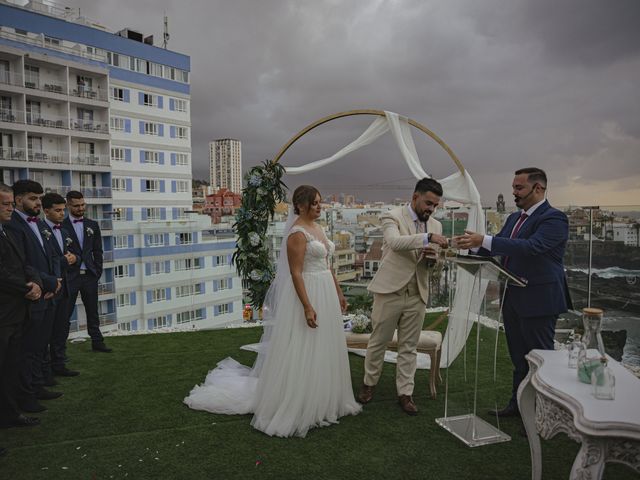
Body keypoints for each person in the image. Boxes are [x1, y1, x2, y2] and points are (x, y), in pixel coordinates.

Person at [184, 185, 361, 437]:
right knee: (304, 346)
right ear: (300, 205)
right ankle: (299, 402)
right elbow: (296, 273)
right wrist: (307, 306)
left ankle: (326, 398)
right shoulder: (296, 234)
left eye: (320, 202)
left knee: (325, 345)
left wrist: (339, 292)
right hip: (308, 290)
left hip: (326, 291)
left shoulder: (319, 228)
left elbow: (327, 266)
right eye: (314, 203)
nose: (319, 207)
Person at [453, 167, 572, 417]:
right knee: (519, 357)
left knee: (540, 359)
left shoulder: (554, 219)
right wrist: (465, 246)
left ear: (538, 189)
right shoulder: (513, 219)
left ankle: (541, 414)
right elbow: (497, 247)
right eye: (513, 187)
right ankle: (517, 405)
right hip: (513, 297)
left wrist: (483, 240)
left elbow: (531, 247)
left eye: (519, 188)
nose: (514, 193)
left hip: (540, 301)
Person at [357, 178, 449, 415]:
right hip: (390, 290)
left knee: (409, 346)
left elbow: (437, 264)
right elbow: (395, 243)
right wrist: (427, 239)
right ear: (415, 197)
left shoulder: (436, 226)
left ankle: (405, 393)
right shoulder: (393, 216)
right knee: (379, 341)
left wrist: (434, 260)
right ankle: (369, 384)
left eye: (435, 205)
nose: (431, 209)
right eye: (428, 203)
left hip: (418, 292)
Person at [5, 180, 63, 413]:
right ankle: (26, 396)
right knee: (28, 349)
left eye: (39, 198)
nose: (38, 202)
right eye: (33, 198)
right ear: (19, 199)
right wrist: (46, 282)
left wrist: (56, 280)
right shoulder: (12, 225)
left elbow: (52, 254)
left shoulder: (38, 223)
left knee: (40, 345)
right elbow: (23, 263)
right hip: (32, 295)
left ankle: (37, 386)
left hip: (49, 292)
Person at [0, 183, 42, 454]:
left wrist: (35, 281)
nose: (10, 208)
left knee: (9, 368)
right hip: (4, 313)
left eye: (10, 204)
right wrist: (27, 288)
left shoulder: (8, 232)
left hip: (16, 313)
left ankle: (9, 414)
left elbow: (25, 263)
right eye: (5, 204)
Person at [62, 191, 111, 353]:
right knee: (65, 312)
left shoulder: (92, 224)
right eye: (76, 206)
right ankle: (59, 347)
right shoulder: (61, 226)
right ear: (68, 205)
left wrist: (97, 271)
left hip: (89, 275)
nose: (81, 208)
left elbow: (98, 251)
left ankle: (97, 342)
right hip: (70, 276)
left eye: (83, 205)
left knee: (93, 311)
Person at [42, 193, 79, 378]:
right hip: (48, 288)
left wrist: (74, 258)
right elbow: (48, 261)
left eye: (63, 210)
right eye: (57, 210)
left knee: (61, 328)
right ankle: (46, 369)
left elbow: (69, 255)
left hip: (65, 287)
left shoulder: (63, 231)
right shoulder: (40, 230)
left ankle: (59, 363)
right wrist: (65, 261)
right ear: (46, 210)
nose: (61, 214)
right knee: (46, 331)